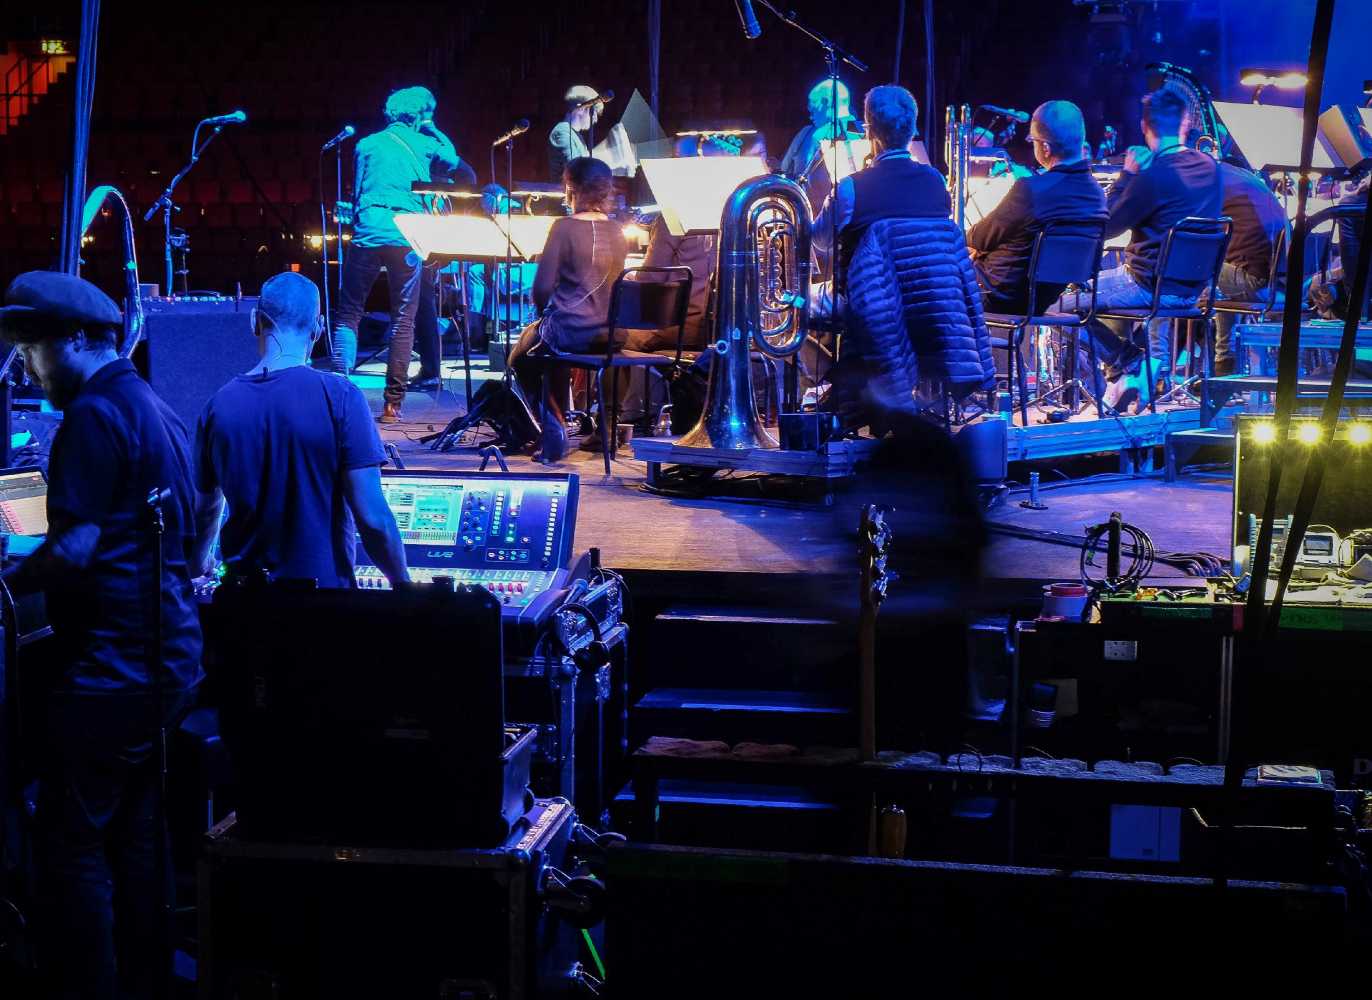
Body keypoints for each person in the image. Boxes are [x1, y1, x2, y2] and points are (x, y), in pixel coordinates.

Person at [0, 271, 203, 1000]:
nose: (28, 367)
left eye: (34, 352)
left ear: (80, 340)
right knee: (139, 839)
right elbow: (198, 517)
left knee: (72, 845)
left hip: (111, 671)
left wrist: (8, 580)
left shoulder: (91, 417)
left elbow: (78, 549)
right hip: (167, 662)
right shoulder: (152, 404)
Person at [193, 272, 408, 589]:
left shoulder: (218, 406)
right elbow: (374, 520)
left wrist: (199, 563)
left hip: (242, 605)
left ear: (255, 321)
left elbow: (207, 510)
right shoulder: (341, 397)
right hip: (322, 606)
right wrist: (404, 586)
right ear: (319, 328)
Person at [331, 86, 474, 423]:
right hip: (406, 234)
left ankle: (339, 390)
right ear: (421, 115)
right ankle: (392, 405)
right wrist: (434, 128)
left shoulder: (365, 145)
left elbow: (358, 194)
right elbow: (465, 173)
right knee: (402, 319)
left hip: (368, 230)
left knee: (349, 312)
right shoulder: (426, 145)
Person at [1073, 87, 1222, 411]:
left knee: (1062, 302)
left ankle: (1126, 364)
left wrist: (1127, 175)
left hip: (1148, 286)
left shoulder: (1153, 176)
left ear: (1144, 127)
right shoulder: (1211, 169)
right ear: (1186, 122)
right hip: (1194, 290)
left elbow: (1107, 227)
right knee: (1098, 288)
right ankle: (1129, 373)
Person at [508, 157, 628, 461]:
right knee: (551, 349)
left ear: (570, 187)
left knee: (522, 357)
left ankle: (554, 427)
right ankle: (605, 429)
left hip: (573, 329)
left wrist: (541, 313)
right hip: (613, 333)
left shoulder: (562, 227)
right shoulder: (617, 230)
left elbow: (542, 288)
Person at [966, 100, 1109, 314]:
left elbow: (978, 238)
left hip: (998, 296)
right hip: (1043, 300)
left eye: (1033, 139)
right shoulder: (1096, 194)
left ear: (1045, 147)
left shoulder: (1032, 190)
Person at [1212, 160, 1289, 375]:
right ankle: (1224, 364)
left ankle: (1157, 367)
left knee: (1168, 271)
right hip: (1283, 285)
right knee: (1219, 280)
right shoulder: (1246, 180)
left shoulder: (1213, 181)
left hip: (1258, 283)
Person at [548, 85, 603, 184]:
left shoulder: (577, 136)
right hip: (564, 197)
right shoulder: (562, 132)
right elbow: (576, 170)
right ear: (581, 108)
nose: (595, 119)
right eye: (593, 112)